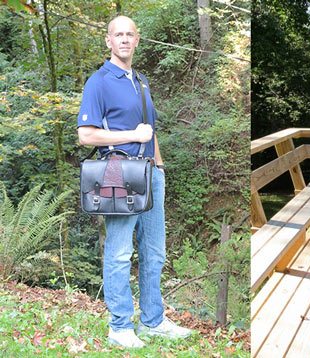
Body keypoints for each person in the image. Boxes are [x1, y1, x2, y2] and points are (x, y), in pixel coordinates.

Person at [77, 15, 192, 348]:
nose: (124, 39)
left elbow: (150, 130)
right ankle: (119, 326)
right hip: (116, 170)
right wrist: (131, 134)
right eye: (118, 34)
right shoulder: (99, 81)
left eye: (130, 34)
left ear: (137, 40)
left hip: (150, 173)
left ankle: (153, 321)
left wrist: (160, 168)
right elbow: (86, 135)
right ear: (108, 41)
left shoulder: (140, 81)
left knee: (155, 251)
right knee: (119, 251)